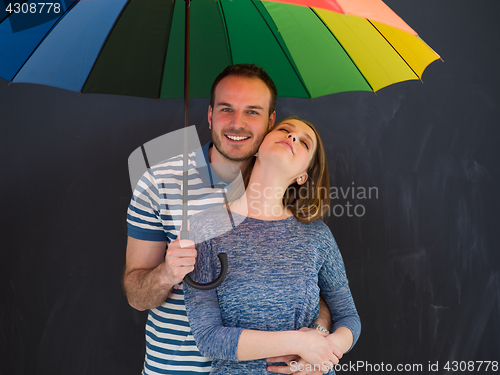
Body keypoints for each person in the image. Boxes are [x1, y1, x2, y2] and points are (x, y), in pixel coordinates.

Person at [123, 64, 333, 375]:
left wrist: (315, 338)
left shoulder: (283, 187)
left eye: (252, 112)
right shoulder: (160, 181)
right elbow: (136, 295)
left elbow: (314, 290)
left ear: (271, 122)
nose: (237, 123)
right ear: (209, 115)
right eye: (226, 109)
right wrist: (166, 273)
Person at [183, 117, 361, 374]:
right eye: (285, 130)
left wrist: (325, 351)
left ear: (303, 176)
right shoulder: (205, 228)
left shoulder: (317, 235)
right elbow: (208, 338)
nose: (292, 137)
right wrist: (300, 342)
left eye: (304, 142)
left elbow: (348, 318)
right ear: (257, 147)